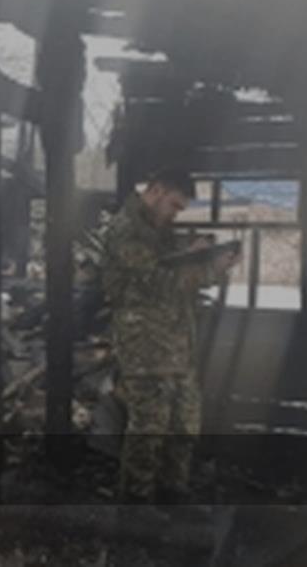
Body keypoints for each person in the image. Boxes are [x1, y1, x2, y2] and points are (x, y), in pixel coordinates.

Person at [101, 168, 240, 504]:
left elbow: (170, 267)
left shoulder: (156, 230)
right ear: (157, 190)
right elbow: (158, 282)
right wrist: (209, 269)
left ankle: (173, 493)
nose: (176, 214)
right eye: (174, 205)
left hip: (176, 343)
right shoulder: (126, 230)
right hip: (145, 347)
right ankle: (136, 504)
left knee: (184, 424)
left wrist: (195, 253)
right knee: (149, 427)